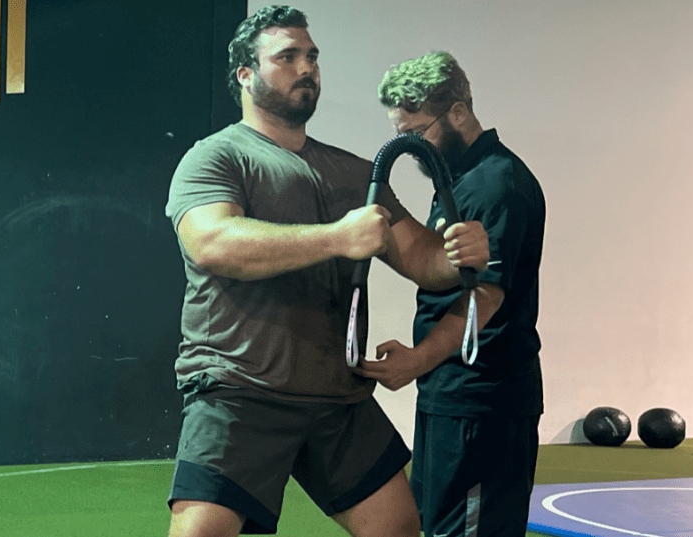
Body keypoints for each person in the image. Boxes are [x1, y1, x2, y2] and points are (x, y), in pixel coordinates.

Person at [164, 7, 490, 537]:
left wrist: (460, 253)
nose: (306, 68)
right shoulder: (217, 157)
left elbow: (424, 263)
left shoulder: (356, 173)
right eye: (287, 57)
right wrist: (337, 237)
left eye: (312, 57)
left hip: (338, 397)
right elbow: (212, 243)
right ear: (245, 74)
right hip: (241, 390)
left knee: (399, 530)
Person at [359, 51, 546, 537]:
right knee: (437, 526)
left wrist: (414, 361)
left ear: (458, 113)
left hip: (484, 403)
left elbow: (486, 297)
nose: (412, 149)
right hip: (451, 395)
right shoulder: (459, 180)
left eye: (417, 134)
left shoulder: (495, 184)